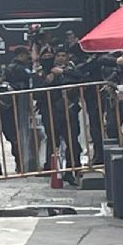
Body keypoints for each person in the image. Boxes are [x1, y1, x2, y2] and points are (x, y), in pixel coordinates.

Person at [35, 47, 84, 183]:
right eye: (58, 55)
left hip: (69, 110)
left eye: (63, 55)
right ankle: (53, 170)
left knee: (72, 141)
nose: (61, 58)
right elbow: (36, 92)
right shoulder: (43, 73)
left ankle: (72, 169)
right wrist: (47, 81)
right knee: (53, 141)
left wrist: (62, 73)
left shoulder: (71, 69)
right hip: (51, 111)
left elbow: (79, 78)